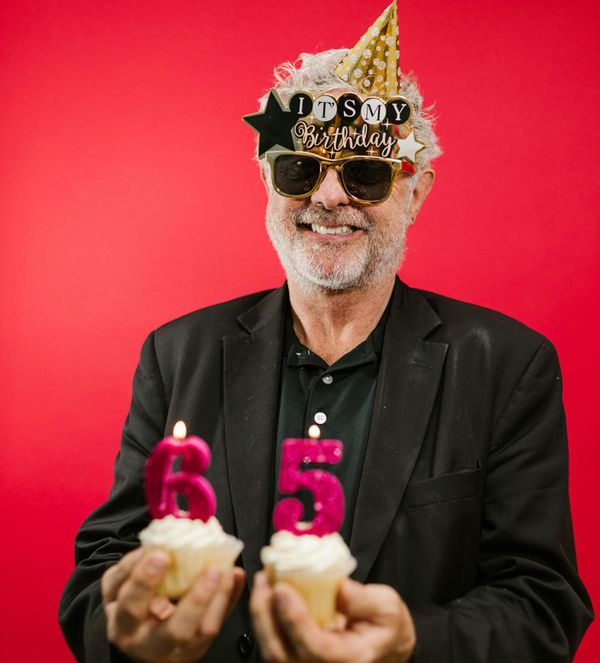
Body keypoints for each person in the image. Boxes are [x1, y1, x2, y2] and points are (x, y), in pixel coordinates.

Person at [59, 4, 593, 662]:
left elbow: (542, 601)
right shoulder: (176, 356)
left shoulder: (508, 366)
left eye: (365, 172)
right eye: (299, 169)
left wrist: (411, 643)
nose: (330, 195)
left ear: (416, 191)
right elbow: (100, 573)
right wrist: (125, 632)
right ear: (266, 180)